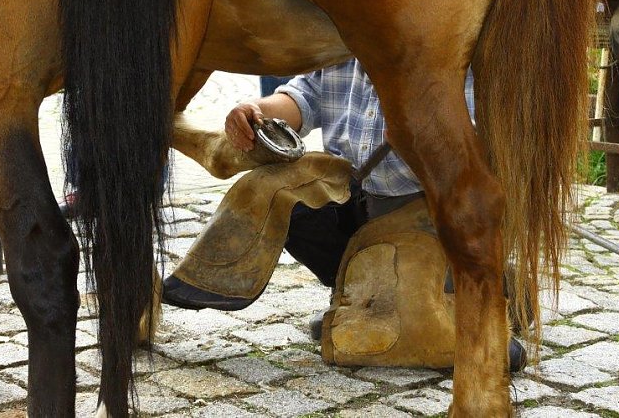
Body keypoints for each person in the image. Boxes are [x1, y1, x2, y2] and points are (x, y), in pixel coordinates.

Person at [224, 59, 527, 372]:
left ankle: (485, 292)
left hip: (426, 211)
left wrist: (421, 139)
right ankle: (358, 292)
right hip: (358, 196)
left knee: (411, 320)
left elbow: (475, 151)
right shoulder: (341, 45)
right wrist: (255, 111)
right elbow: (303, 97)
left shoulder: (446, 50)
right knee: (281, 196)